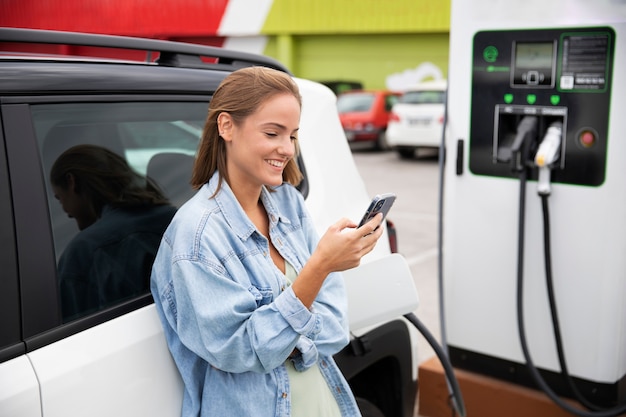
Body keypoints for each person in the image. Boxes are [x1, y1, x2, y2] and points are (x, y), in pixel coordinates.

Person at [150, 66, 385, 417]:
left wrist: (284, 343)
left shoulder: (287, 201)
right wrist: (320, 265)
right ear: (226, 126)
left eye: (292, 135)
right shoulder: (196, 237)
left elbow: (335, 326)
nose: (287, 149)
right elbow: (241, 352)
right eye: (273, 133)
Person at [50, 144, 177, 321]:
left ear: (72, 182)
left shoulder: (83, 253)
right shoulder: (178, 221)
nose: (65, 210)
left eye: (59, 198)